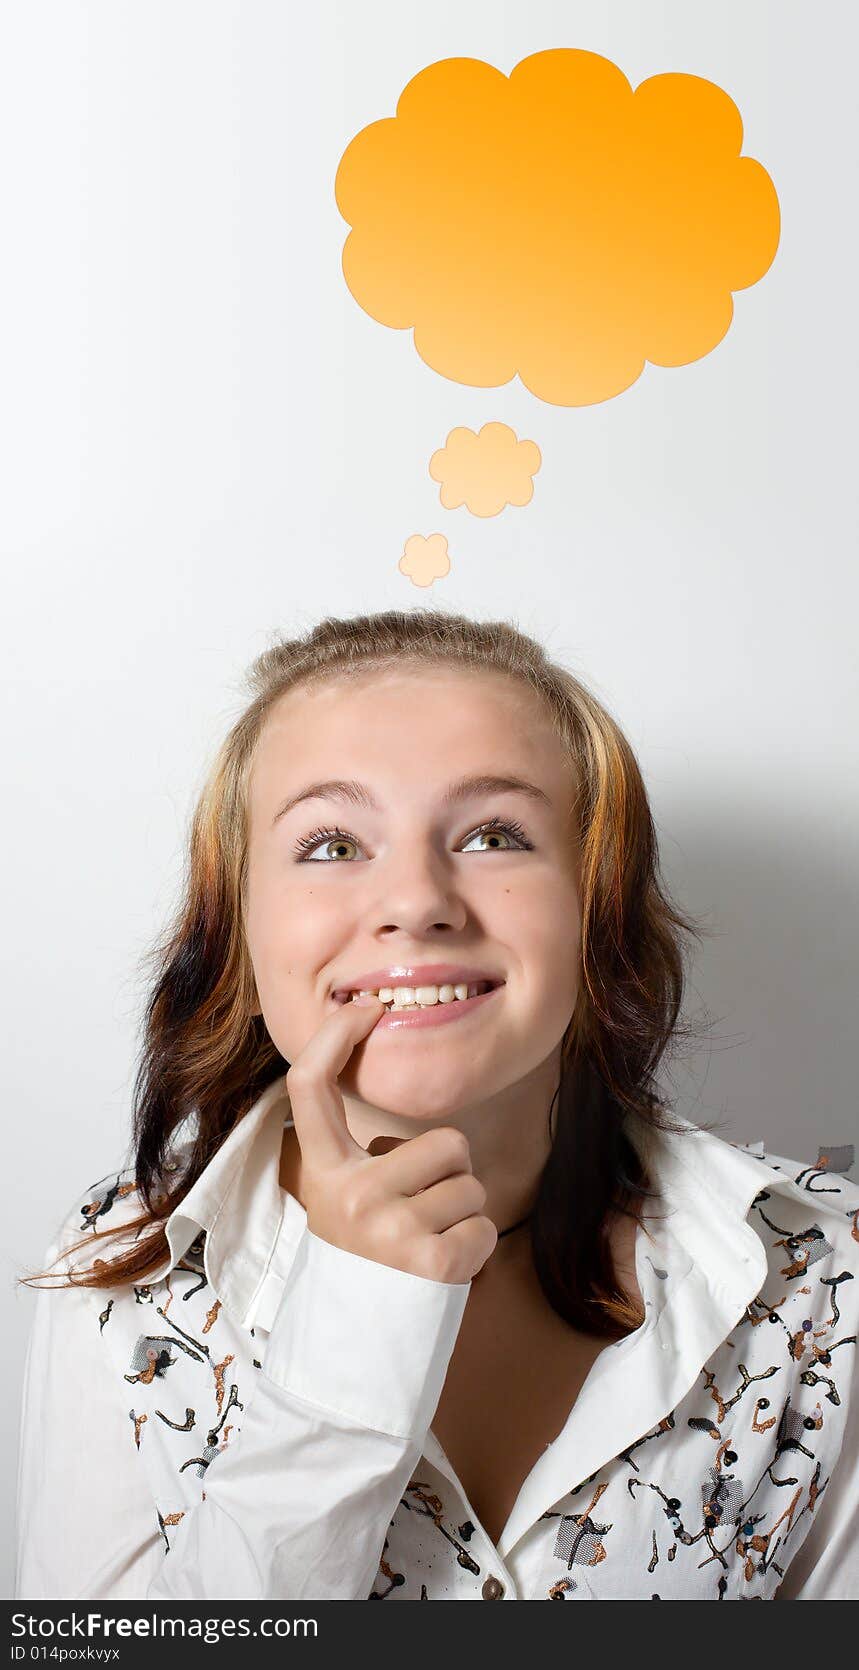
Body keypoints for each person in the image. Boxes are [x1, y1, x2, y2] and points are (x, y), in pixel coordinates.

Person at [14, 608, 859, 1601]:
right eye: (330, 843)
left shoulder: (820, 1270)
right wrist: (359, 1319)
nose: (415, 899)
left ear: (596, 903)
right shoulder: (123, 1270)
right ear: (237, 923)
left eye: (493, 834)